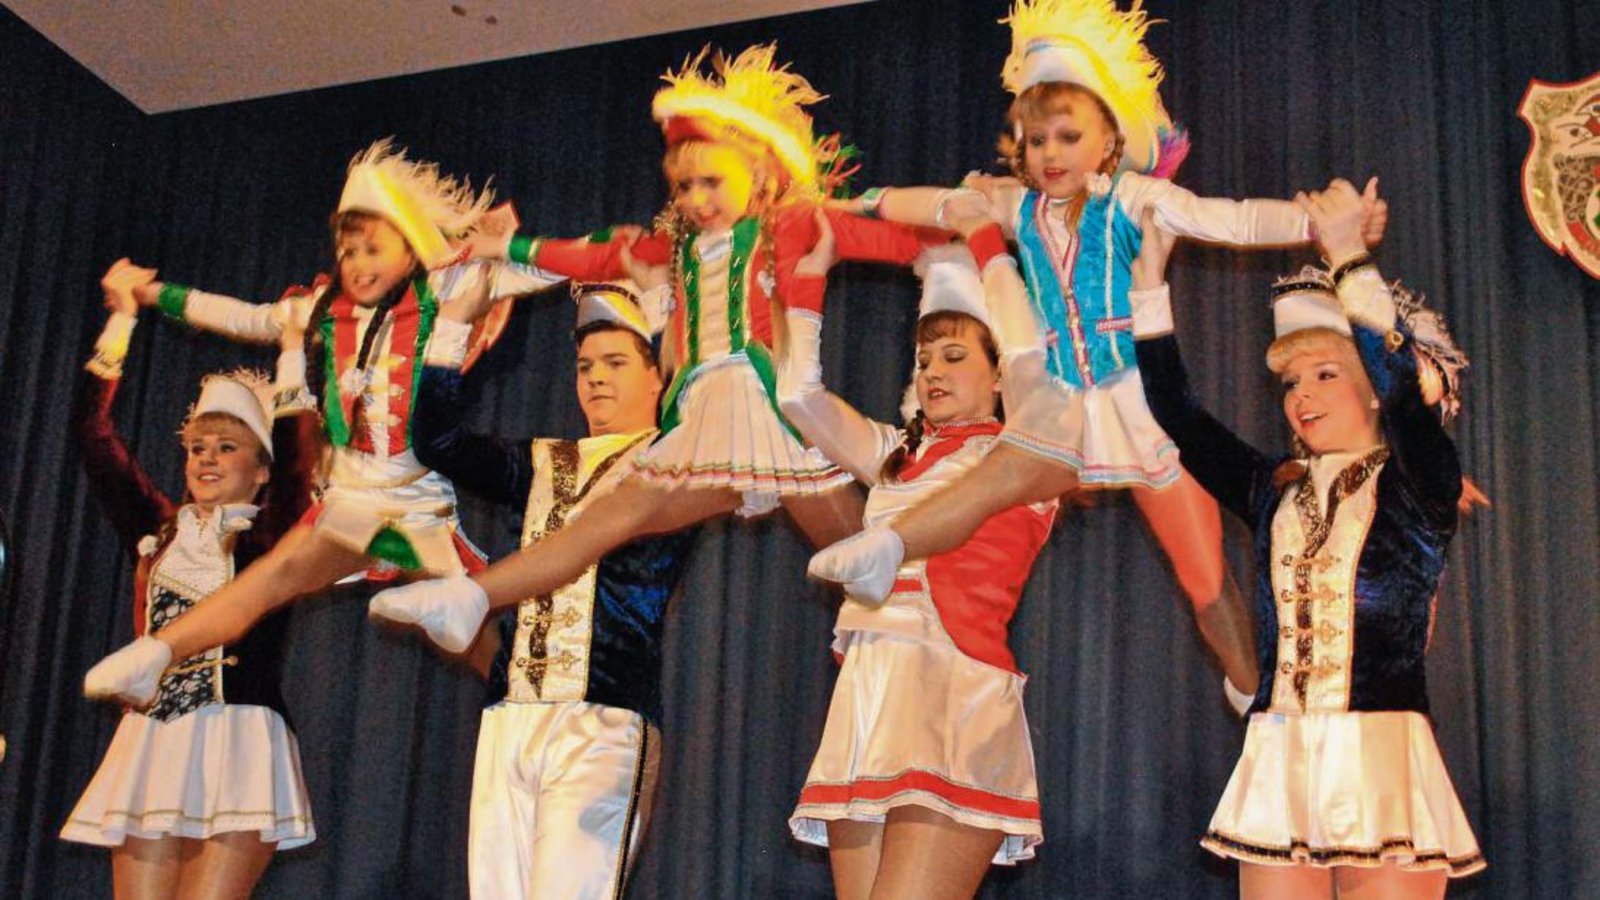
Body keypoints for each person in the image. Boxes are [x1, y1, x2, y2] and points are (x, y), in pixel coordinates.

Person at [811, 0, 1384, 700]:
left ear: (1107, 140)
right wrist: (848, 207)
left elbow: (1230, 221)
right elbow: (929, 206)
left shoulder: (1136, 199)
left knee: (1207, 586)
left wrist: (1318, 223)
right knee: (999, 474)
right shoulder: (1013, 207)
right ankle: (890, 548)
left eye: (1067, 136)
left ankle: (1262, 711)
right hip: (1061, 405)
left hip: (1138, 405)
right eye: (1035, 140)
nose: (1050, 154)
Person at [366, 44, 938, 652]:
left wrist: (963, 247)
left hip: (775, 411)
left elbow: (884, 239)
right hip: (701, 415)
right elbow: (594, 258)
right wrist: (505, 249)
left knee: (861, 550)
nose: (696, 199)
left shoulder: (788, 226)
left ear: (762, 171)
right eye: (684, 186)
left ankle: (924, 637)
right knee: (607, 517)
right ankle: (475, 597)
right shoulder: (677, 250)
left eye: (712, 182)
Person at [81, 142, 559, 705]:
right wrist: (150, 293)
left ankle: (529, 709)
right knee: (273, 573)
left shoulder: (446, 290)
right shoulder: (320, 309)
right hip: (352, 498)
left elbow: (536, 271)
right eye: (347, 250)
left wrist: (529, 251)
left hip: (416, 501)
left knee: (474, 638)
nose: (357, 264)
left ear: (410, 248)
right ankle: (157, 653)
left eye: (373, 249)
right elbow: (239, 314)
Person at [1138, 179, 1483, 897]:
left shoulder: (1422, 482)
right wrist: (1149, 279)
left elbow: (1400, 385)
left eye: (1325, 373)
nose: (1301, 395)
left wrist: (1350, 252)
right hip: (1280, 758)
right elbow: (1176, 412)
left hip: (1382, 761)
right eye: (1291, 380)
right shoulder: (1272, 490)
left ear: (1369, 391)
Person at [779, 208, 1060, 898]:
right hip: (868, 698)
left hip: (954, 697)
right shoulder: (892, 458)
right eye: (925, 359)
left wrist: (986, 240)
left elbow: (1029, 357)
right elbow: (796, 396)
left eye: (957, 357)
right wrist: (806, 281)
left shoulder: (1025, 454)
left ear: (998, 375)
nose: (934, 371)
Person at [410, 280, 696, 899]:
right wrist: (455, 322)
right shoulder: (543, 462)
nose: (595, 378)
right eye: (585, 366)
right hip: (509, 716)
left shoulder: (677, 458)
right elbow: (435, 442)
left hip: (603, 718)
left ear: (657, 378)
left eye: (617, 363)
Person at [61, 259, 321, 899]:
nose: (206, 458)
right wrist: (122, 316)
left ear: (258, 471)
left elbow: (297, 459)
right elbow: (93, 437)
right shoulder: (159, 527)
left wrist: (292, 349)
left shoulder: (270, 532)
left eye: (226, 447)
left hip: (239, 743)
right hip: (153, 741)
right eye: (197, 446)